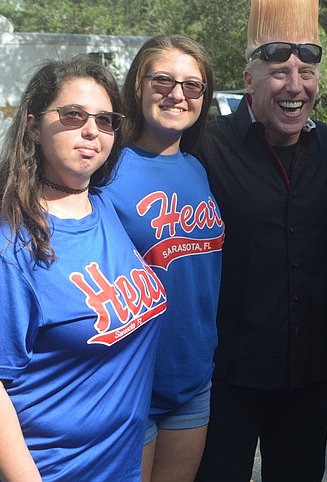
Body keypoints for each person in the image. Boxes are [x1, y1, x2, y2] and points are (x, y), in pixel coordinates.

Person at [0, 56, 167, 481]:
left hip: (114, 466)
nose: (91, 130)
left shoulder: (102, 208)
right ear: (32, 126)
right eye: (73, 115)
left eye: (105, 120)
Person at [194, 0, 327, 482]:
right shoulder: (206, 149)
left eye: (306, 71)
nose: (295, 85)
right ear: (250, 77)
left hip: (306, 376)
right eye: (279, 71)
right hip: (225, 375)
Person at [106, 35, 224, 482]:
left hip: (191, 379)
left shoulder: (198, 167)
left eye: (193, 86)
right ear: (137, 84)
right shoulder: (105, 167)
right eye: (163, 80)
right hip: (125, 382)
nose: (177, 94)